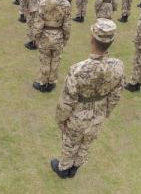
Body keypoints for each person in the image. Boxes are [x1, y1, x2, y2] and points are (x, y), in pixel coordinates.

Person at [51, 18, 124, 179]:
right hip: (98, 114)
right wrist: (105, 112)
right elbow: (116, 95)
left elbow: (67, 101)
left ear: (92, 39)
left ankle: (64, 168)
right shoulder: (118, 66)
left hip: (78, 115)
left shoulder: (78, 70)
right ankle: (76, 166)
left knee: (70, 142)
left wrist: (61, 120)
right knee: (86, 142)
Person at [33, 0, 71, 93]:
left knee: (45, 59)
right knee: (55, 60)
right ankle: (51, 82)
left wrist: (36, 37)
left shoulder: (43, 3)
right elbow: (67, 24)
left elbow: (38, 23)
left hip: (45, 35)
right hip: (58, 34)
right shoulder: (66, 4)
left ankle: (43, 82)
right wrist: (65, 38)